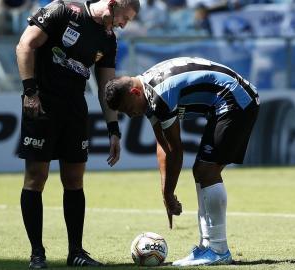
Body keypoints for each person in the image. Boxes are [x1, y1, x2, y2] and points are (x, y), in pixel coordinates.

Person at [15, 0, 139, 268]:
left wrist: (113, 129)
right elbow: (25, 45)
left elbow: (107, 86)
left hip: (74, 110)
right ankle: (37, 254)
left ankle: (76, 252)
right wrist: (30, 92)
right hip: (42, 104)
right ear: (113, 4)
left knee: (74, 179)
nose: (123, 25)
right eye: (124, 18)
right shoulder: (62, 10)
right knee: (36, 177)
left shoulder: (108, 40)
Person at [104, 56, 259, 266]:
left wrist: (170, 194)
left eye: (126, 109)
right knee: (202, 171)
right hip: (223, 103)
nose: (130, 116)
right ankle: (208, 247)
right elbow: (162, 146)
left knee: (206, 171)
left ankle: (218, 249)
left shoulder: (158, 95)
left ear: (135, 92)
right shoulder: (147, 94)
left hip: (235, 100)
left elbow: (176, 150)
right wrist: (164, 193)